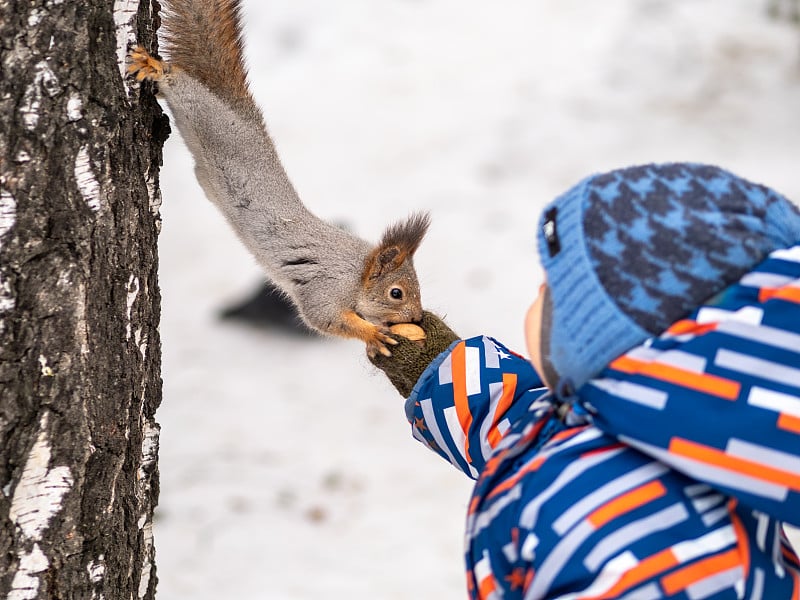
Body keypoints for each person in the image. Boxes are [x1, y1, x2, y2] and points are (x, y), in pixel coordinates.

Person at [371, 162, 800, 599]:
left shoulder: (644, 548)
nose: (538, 295)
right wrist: (436, 364)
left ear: (601, 341)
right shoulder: (676, 425)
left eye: (554, 290)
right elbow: (528, 427)